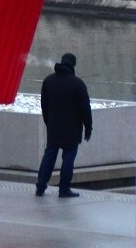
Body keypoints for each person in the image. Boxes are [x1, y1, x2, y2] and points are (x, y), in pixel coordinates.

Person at [35, 52, 93, 198]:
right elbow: (85, 108)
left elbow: (44, 105)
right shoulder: (77, 84)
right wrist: (88, 128)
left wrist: (48, 121)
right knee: (68, 158)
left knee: (49, 155)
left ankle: (41, 186)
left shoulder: (48, 81)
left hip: (54, 126)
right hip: (72, 128)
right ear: (73, 65)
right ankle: (64, 188)